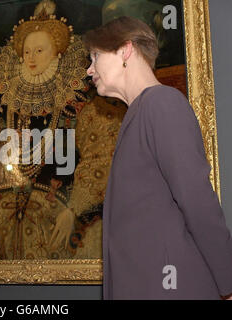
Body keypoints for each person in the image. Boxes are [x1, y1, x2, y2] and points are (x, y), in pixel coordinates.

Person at [0, 0, 125, 260]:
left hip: (61, 207)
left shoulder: (79, 102)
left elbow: (102, 153)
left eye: (40, 50)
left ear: (58, 53)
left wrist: (75, 208)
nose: (31, 58)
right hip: (0, 205)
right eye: (27, 51)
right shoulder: (1, 98)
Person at [83, 16, 232, 299]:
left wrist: (229, 283)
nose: (90, 69)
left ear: (125, 50)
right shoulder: (139, 115)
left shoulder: (161, 104)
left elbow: (198, 201)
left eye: (96, 56)